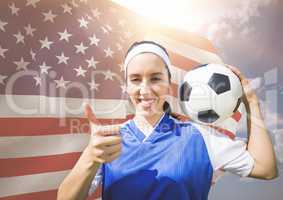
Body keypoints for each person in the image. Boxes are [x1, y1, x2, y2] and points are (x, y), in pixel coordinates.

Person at [57, 41, 278, 200]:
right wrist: (89, 158)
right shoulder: (107, 142)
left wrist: (251, 103)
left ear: (168, 83)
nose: (145, 89)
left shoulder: (201, 137)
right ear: (126, 85)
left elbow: (266, 169)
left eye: (155, 78)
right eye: (135, 79)